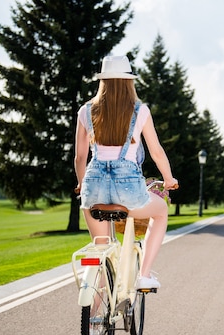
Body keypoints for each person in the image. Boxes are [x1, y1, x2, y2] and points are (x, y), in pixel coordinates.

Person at [74, 55, 178, 290]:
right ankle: (144, 274)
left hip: (94, 190)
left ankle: (94, 316)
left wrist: (82, 184)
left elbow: (80, 158)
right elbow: (157, 152)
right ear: (129, 82)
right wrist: (169, 179)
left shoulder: (86, 111)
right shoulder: (140, 111)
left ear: (103, 81)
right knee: (160, 212)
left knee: (101, 248)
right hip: (129, 193)